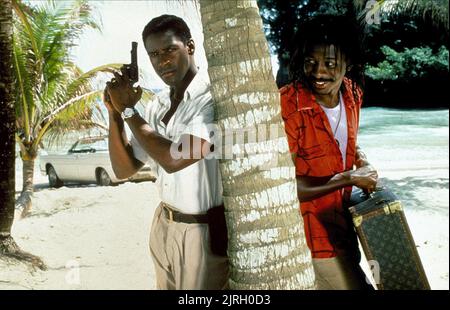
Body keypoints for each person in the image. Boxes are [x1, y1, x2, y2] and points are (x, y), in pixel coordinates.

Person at [103, 14, 228, 290]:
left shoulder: (212, 100)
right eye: (154, 54)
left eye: (170, 50)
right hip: (164, 223)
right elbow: (125, 170)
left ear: (190, 47)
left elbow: (174, 158)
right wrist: (114, 113)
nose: (163, 61)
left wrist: (127, 109)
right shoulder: (157, 104)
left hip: (202, 232)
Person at [280, 15, 378, 290]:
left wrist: (361, 160)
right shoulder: (288, 105)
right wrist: (350, 177)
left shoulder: (352, 94)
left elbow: (344, 142)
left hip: (346, 229)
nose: (318, 72)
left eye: (330, 64)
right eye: (310, 62)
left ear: (348, 63)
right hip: (311, 238)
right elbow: (285, 185)